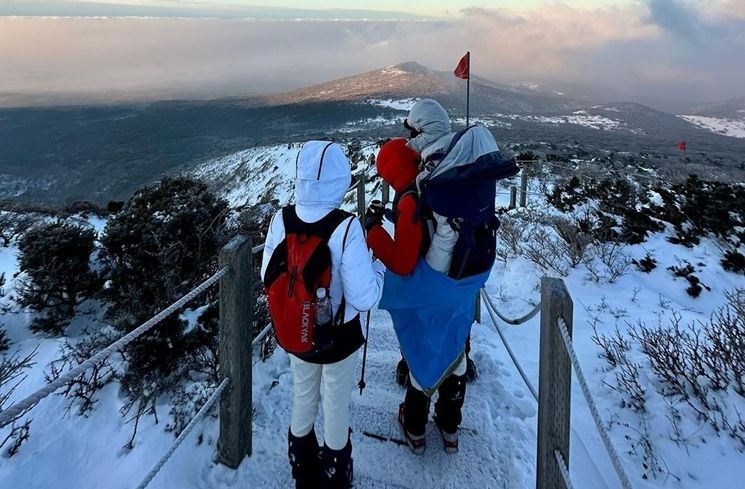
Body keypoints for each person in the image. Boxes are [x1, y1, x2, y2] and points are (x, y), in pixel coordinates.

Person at [262, 141, 385, 489]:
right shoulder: (346, 227)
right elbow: (364, 299)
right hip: (338, 338)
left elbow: (266, 277)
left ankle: (303, 471)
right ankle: (335, 477)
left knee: (303, 398)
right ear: (339, 178)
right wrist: (378, 272)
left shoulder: (280, 219)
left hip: (295, 333)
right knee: (335, 406)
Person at [365, 137, 467, 455]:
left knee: (422, 356)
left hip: (428, 292)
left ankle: (415, 428)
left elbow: (403, 261)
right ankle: (450, 429)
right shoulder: (433, 185)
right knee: (454, 355)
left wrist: (373, 230)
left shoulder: (410, 199)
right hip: (455, 287)